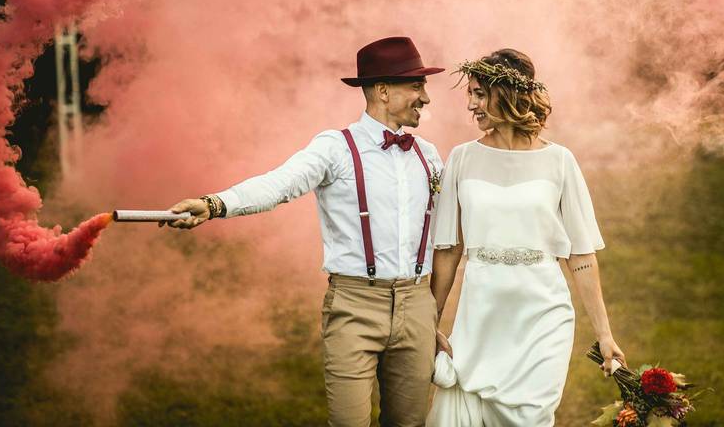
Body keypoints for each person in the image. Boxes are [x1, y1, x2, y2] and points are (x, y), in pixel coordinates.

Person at [164, 36, 445, 427]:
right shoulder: (335, 148)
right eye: (416, 85)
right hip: (354, 305)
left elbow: (452, 230)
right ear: (383, 90)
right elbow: (278, 184)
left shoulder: (427, 155)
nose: (425, 97)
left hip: (416, 306)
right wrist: (215, 204)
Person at [427, 49, 627, 426]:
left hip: (542, 314)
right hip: (480, 316)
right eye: (470, 94)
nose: (471, 105)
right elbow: (449, 250)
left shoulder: (560, 161)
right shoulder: (462, 158)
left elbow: (581, 256)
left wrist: (605, 335)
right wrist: (428, 322)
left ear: (507, 93)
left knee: (532, 418)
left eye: (479, 94)